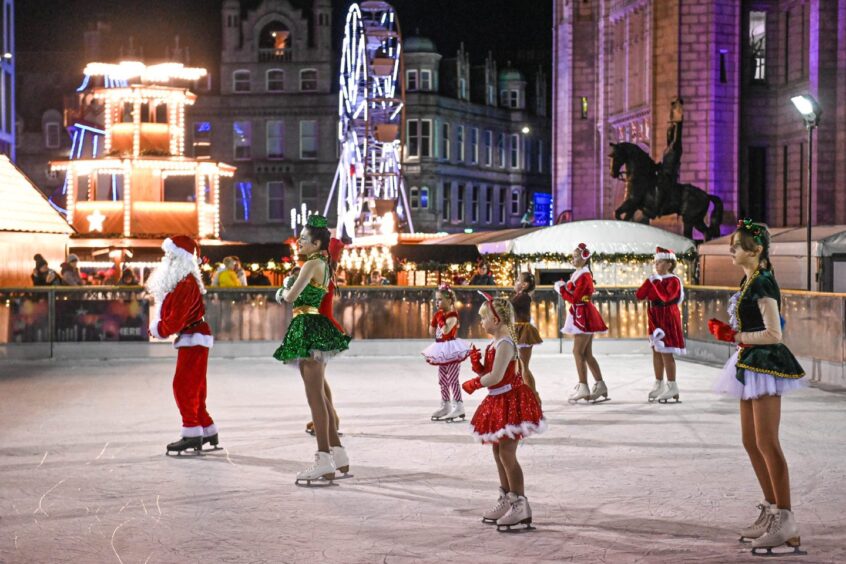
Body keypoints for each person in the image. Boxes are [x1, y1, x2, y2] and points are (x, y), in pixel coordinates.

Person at [709, 220, 806, 556]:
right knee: (750, 441)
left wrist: (735, 336)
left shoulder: (764, 282)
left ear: (757, 249)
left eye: (737, 245)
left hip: (765, 363)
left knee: (767, 442)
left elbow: (774, 333)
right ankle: (771, 510)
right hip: (749, 363)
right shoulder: (748, 279)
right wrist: (732, 334)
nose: (732, 250)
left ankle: (786, 520)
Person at [273, 215, 352, 485]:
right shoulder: (324, 264)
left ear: (317, 244)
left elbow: (291, 296)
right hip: (314, 325)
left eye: (304, 239)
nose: (299, 243)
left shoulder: (312, 263)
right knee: (320, 395)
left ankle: (323, 459)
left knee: (315, 397)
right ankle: (337, 452)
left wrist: (283, 289)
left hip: (308, 327)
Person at [462, 292, 545, 532]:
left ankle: (520, 504)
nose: (481, 322)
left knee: (507, 453)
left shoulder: (506, 343)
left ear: (496, 320)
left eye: (484, 318)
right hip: (499, 400)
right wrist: (478, 366)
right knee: (498, 452)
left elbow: (497, 376)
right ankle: (508, 498)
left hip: (510, 401)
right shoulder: (496, 343)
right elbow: (492, 372)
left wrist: (476, 382)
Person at [146, 236, 219, 455]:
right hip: (194, 336)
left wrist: (158, 329)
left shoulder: (184, 283)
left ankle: (191, 432)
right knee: (195, 387)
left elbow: (176, 319)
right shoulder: (183, 281)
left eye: (170, 254)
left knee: (184, 386)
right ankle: (206, 429)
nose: (166, 258)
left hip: (194, 337)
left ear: (180, 258)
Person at [555, 243, 609, 403]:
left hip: (583, 315)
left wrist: (562, 290)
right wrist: (565, 288)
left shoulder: (584, 276)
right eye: (573, 256)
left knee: (577, 352)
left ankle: (584, 385)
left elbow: (575, 299)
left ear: (585, 258)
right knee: (586, 353)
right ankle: (600, 384)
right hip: (580, 313)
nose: (573, 259)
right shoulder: (579, 273)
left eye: (576, 256)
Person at [635, 247, 686, 403]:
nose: (656, 265)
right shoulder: (655, 278)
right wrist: (648, 282)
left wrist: (656, 282)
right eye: (655, 262)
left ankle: (672, 385)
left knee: (666, 351)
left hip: (667, 316)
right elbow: (640, 296)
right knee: (656, 351)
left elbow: (665, 297)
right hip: (654, 316)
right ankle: (659, 383)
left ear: (669, 264)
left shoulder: (673, 280)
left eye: (660, 262)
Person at [421, 284, 471, 422]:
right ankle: (446, 404)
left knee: (452, 378)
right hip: (441, 349)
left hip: (452, 350)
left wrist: (440, 319)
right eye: (436, 300)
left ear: (449, 301)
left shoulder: (452, 315)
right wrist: (434, 320)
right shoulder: (440, 314)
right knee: (442, 378)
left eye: (440, 299)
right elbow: (432, 333)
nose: (437, 302)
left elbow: (445, 331)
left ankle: (458, 405)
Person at [510, 272, 543, 401]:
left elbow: (509, 305)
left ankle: (534, 397)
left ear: (524, 285)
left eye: (517, 280)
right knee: (519, 367)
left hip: (524, 332)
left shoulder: (523, 297)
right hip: (518, 330)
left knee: (524, 366)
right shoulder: (520, 296)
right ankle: (527, 397)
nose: (515, 282)